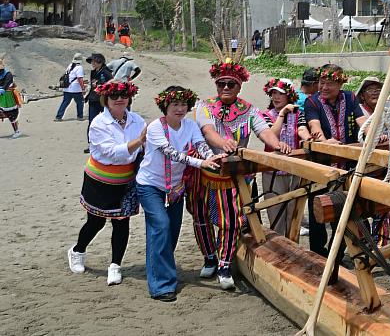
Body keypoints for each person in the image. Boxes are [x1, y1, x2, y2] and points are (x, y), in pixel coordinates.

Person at [188, 58, 287, 290]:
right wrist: (223, 142)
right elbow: (208, 131)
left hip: (233, 175)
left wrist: (277, 144)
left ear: (239, 86)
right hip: (206, 171)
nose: (225, 87)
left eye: (230, 84)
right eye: (220, 83)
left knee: (231, 221)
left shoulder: (249, 110)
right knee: (200, 217)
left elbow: (264, 131)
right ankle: (209, 258)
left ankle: (224, 265)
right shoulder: (204, 106)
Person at [137, 86, 225, 302]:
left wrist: (211, 157)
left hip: (175, 187)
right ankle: (161, 285)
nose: (180, 109)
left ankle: (159, 269)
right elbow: (171, 153)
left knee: (171, 232)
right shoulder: (155, 127)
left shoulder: (190, 125)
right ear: (165, 106)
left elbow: (200, 144)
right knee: (161, 226)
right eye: (175, 104)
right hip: (150, 186)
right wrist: (201, 163)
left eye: (184, 104)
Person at [67, 80, 146, 286]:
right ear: (106, 99)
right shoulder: (99, 124)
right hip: (100, 179)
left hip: (126, 179)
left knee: (122, 222)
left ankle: (115, 265)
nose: (119, 99)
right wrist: (139, 141)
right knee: (96, 221)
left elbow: (145, 148)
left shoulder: (137, 121)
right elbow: (112, 153)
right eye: (114, 96)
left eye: (124, 96)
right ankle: (77, 251)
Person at [304, 64, 366, 255]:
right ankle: (317, 252)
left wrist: (372, 133)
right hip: (321, 165)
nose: (323, 87)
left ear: (340, 84)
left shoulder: (350, 97)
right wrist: (325, 142)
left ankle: (336, 253)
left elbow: (362, 121)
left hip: (348, 165)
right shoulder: (312, 102)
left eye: (329, 83)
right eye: (321, 82)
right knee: (318, 209)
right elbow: (314, 126)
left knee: (345, 210)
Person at [259, 78, 311, 236]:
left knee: (294, 213)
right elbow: (271, 135)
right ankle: (278, 245)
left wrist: (309, 139)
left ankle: (292, 245)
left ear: (289, 95)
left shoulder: (298, 114)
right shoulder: (266, 115)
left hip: (294, 170)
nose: (276, 97)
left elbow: (302, 129)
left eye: (280, 93)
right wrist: (282, 114)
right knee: (276, 213)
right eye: (273, 93)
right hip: (273, 171)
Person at [83, 54, 113, 153]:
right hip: (93, 99)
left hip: (104, 100)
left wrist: (102, 86)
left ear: (100, 62)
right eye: (92, 62)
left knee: (107, 121)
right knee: (92, 122)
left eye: (95, 61)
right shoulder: (93, 72)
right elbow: (92, 86)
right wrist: (88, 95)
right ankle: (91, 144)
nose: (93, 63)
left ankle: (108, 143)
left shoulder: (106, 72)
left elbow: (112, 84)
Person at [55, 53, 85, 121]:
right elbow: (80, 79)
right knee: (80, 102)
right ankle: (80, 116)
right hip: (76, 89)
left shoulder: (70, 65)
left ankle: (59, 116)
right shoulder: (79, 67)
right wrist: (83, 88)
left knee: (65, 103)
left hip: (67, 88)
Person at [0, 54, 21, 138]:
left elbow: (7, 84)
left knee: (11, 114)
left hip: (8, 97)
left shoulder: (8, 74)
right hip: (1, 97)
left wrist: (2, 89)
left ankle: (17, 131)